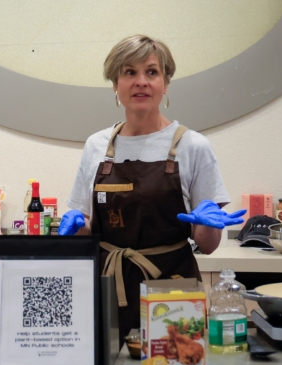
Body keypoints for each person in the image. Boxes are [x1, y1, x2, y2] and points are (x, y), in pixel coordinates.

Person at [57, 35, 245, 337]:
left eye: (152, 72)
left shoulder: (193, 146)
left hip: (174, 289)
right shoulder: (97, 146)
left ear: (166, 84)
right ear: (115, 84)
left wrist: (208, 224)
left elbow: (207, 246)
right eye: (129, 72)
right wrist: (77, 227)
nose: (141, 81)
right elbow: (87, 227)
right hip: (108, 285)